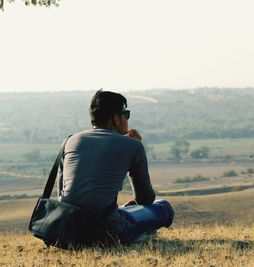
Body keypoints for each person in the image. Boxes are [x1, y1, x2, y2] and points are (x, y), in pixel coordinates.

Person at [56, 89, 174, 245]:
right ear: (116, 119)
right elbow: (145, 199)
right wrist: (135, 149)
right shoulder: (132, 146)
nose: (127, 119)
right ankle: (136, 235)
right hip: (107, 231)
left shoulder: (70, 141)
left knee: (116, 212)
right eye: (126, 114)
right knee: (163, 207)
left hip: (66, 230)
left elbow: (61, 196)